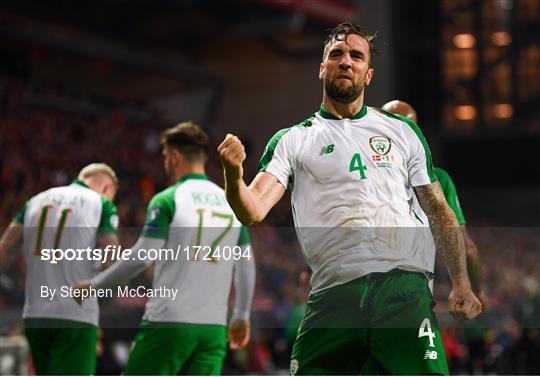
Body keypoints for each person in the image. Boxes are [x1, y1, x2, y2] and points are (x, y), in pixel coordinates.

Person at [218, 22, 481, 375]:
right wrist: (233, 175)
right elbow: (252, 210)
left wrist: (461, 281)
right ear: (322, 68)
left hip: (401, 289)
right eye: (336, 54)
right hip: (334, 293)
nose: (346, 62)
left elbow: (438, 209)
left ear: (368, 74)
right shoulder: (293, 140)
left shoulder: (402, 131)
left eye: (356, 56)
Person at [75, 122, 256, 376]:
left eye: (164, 156)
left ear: (174, 156)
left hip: (169, 322)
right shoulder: (232, 203)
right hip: (213, 327)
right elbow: (245, 263)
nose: (164, 162)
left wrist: (95, 285)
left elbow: (143, 256)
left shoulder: (169, 199)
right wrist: (241, 315)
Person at [0, 163, 119, 375]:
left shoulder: (35, 201)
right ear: (106, 188)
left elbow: (5, 246)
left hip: (35, 315)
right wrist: (103, 292)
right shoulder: (101, 204)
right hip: (75, 315)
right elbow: (111, 255)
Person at [381, 99, 488, 310]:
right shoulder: (436, 179)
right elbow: (468, 248)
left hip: (357, 299)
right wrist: (477, 290)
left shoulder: (362, 176)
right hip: (410, 299)